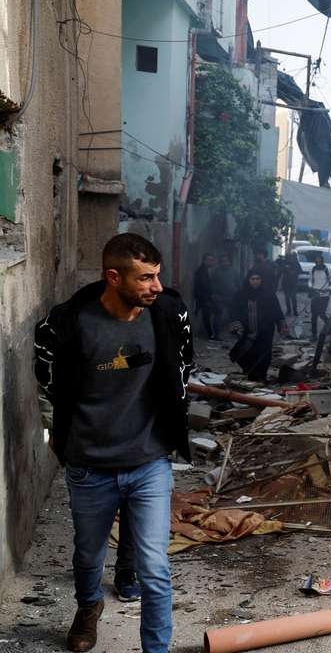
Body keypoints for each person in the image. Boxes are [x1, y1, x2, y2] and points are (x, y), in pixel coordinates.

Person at [33, 233, 194, 653]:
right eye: (145, 278)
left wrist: (171, 425)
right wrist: (58, 439)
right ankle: (89, 607)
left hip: (149, 463)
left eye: (157, 276)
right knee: (88, 557)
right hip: (90, 465)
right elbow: (45, 385)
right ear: (113, 277)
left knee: (155, 569)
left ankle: (155, 650)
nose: (156, 287)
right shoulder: (67, 324)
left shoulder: (169, 313)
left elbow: (184, 366)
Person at [228, 272, 287, 381]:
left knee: (264, 354)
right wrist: (237, 326)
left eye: (258, 278)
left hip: (266, 331)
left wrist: (281, 325)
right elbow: (233, 311)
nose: (255, 281)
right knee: (243, 353)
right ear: (248, 280)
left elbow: (277, 310)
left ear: (262, 280)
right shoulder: (240, 294)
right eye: (253, 279)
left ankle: (261, 377)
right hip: (247, 330)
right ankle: (250, 373)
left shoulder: (269, 294)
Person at [308, 251, 331, 342]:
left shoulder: (328, 270)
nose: (318, 263)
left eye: (320, 261)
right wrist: (311, 287)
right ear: (315, 262)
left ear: (322, 261)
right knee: (314, 315)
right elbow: (309, 281)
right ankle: (314, 335)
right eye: (317, 261)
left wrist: (328, 288)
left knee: (322, 313)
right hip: (315, 294)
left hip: (324, 295)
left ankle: (329, 325)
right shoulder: (312, 270)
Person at [193, 253, 218, 339]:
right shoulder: (201, 271)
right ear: (205, 261)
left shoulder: (206, 270)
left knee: (209, 315)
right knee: (208, 316)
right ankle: (211, 335)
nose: (212, 262)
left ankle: (212, 334)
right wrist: (209, 296)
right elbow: (203, 286)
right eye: (210, 260)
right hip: (204, 298)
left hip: (205, 297)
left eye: (212, 260)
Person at [277, 253, 302, 317]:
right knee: (287, 297)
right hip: (286, 283)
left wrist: (293, 272)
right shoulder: (284, 263)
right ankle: (289, 311)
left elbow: (300, 271)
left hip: (293, 283)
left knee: (293, 297)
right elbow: (280, 272)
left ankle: (295, 311)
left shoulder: (296, 263)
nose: (290, 259)